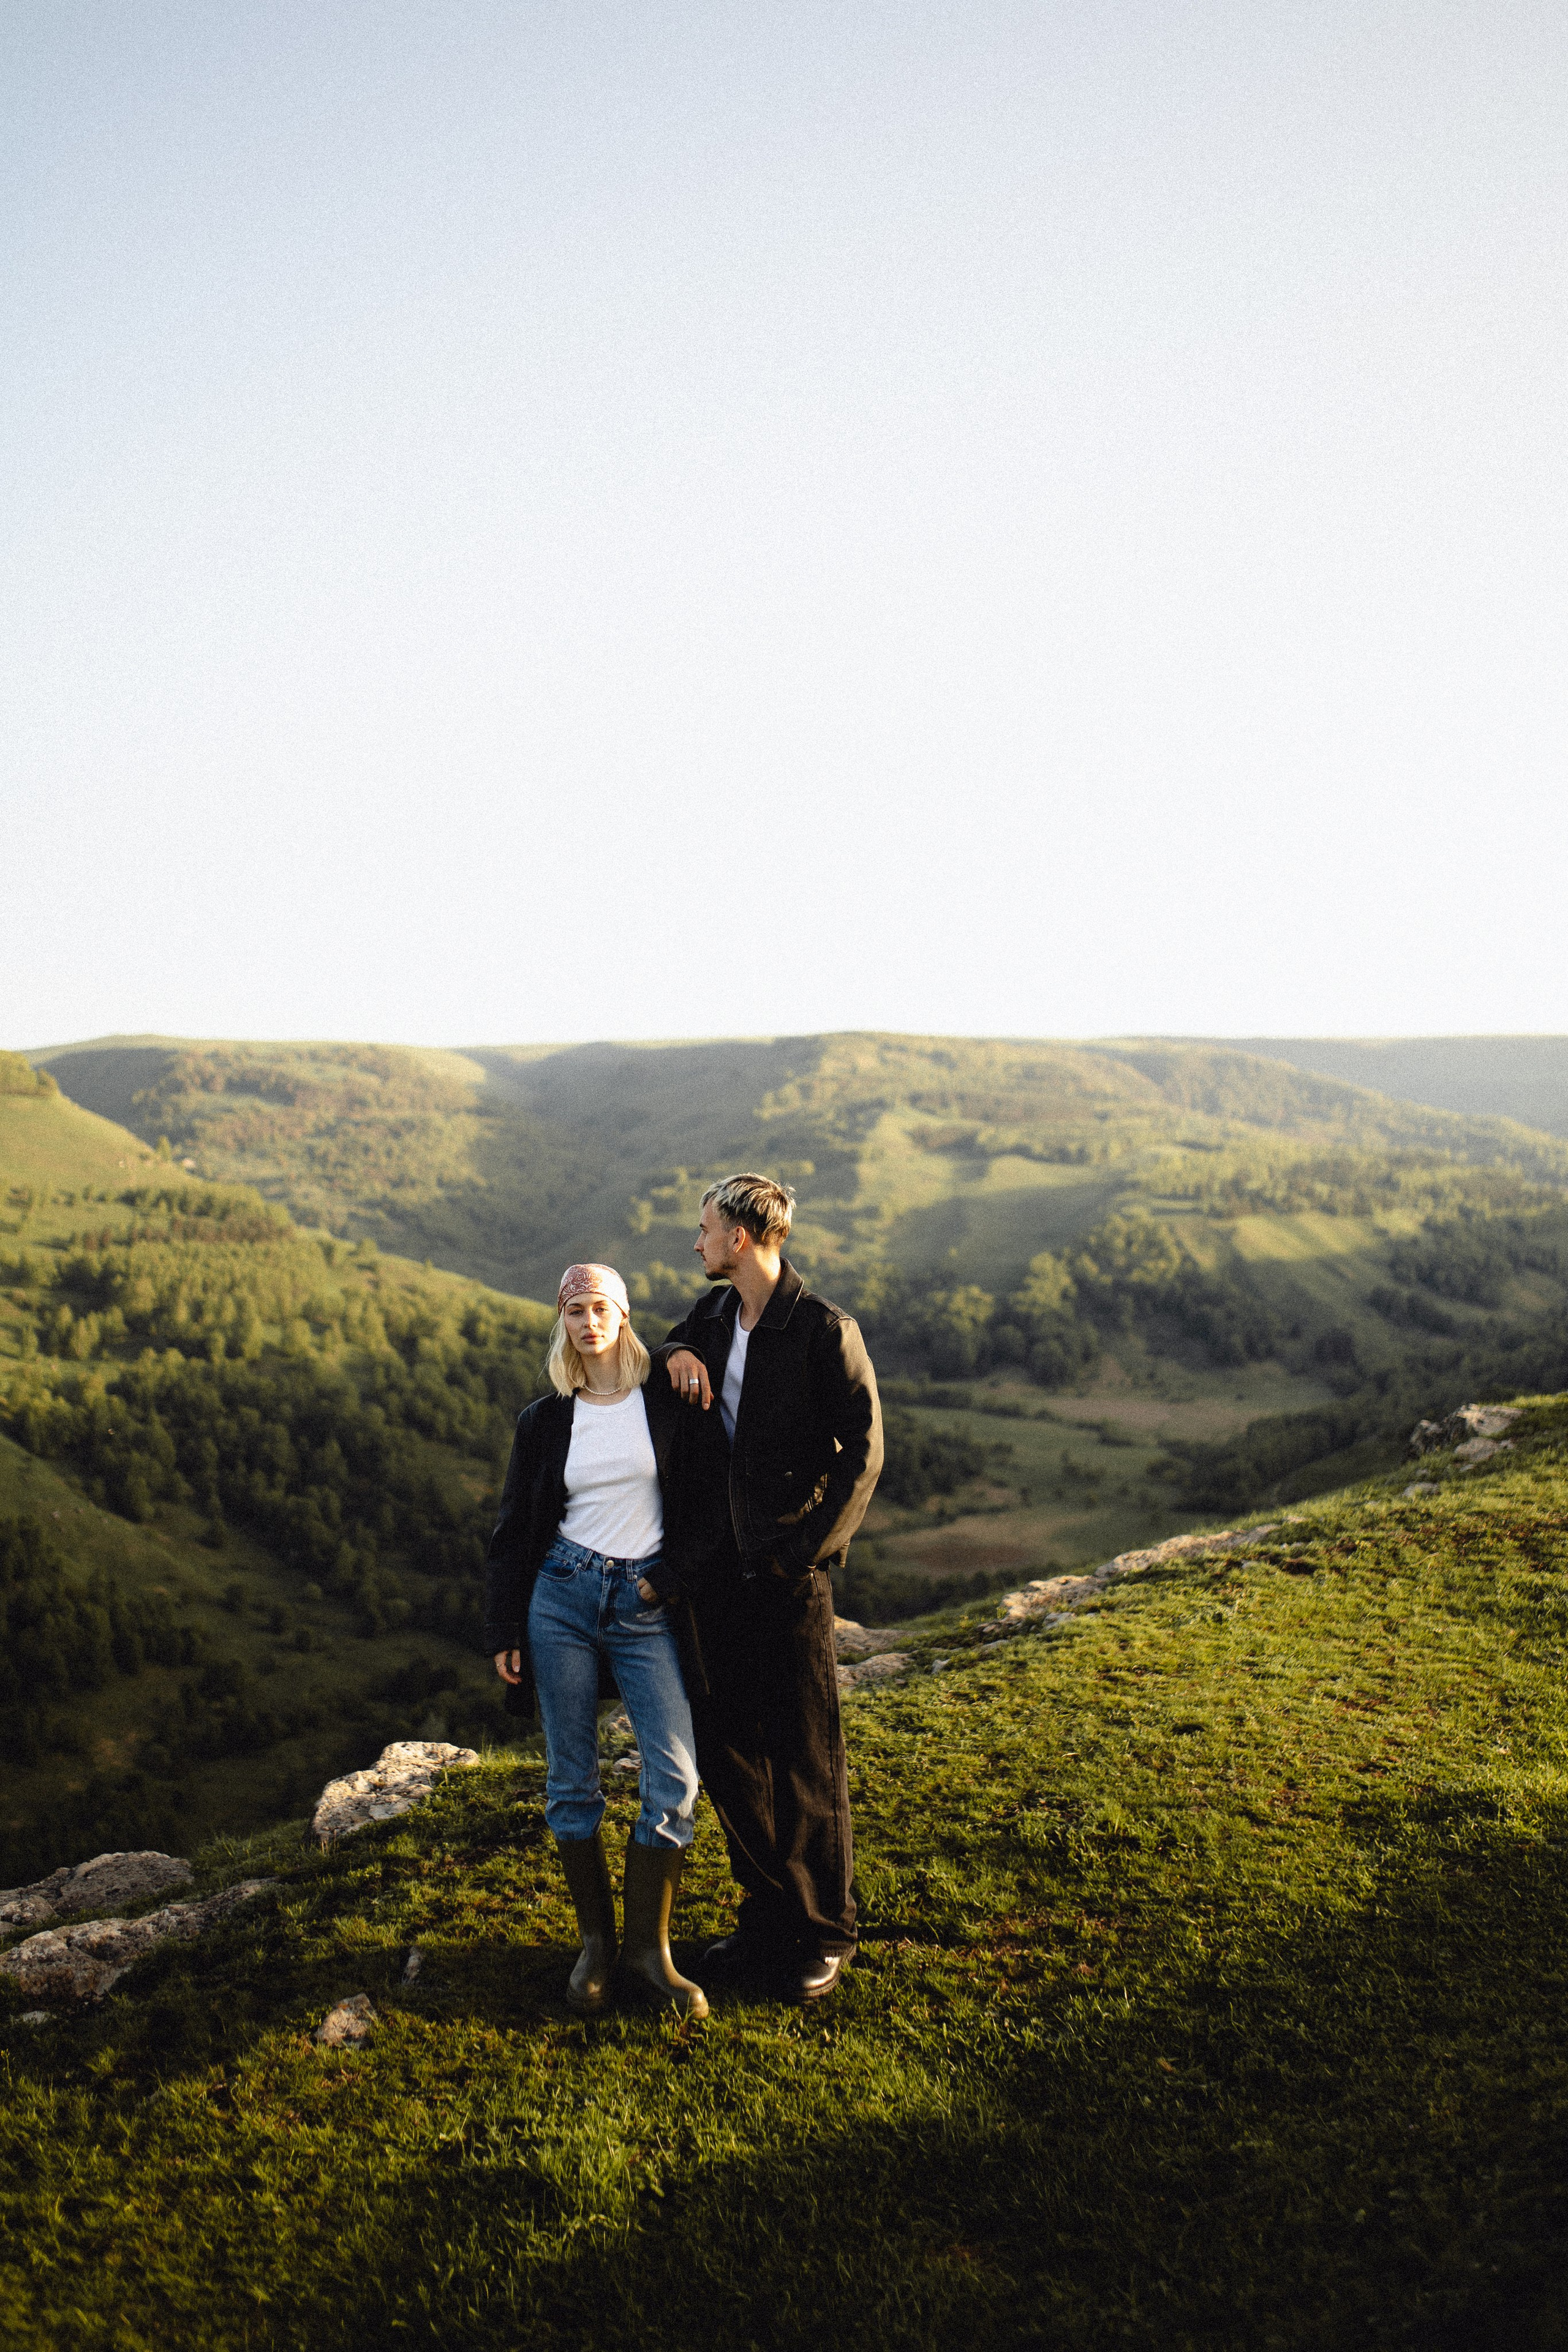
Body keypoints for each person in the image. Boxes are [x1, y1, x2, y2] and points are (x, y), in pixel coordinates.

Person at [659, 1173, 883, 2002]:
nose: (698, 1243)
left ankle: (825, 1933)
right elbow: (661, 1349)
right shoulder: (713, 1318)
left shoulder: (825, 1330)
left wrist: (803, 1555)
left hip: (788, 1581)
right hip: (715, 1577)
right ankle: (769, 1918)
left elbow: (864, 1455)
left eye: (707, 1229)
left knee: (805, 1762)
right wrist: (675, 1352)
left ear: (743, 1238)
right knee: (728, 1752)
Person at [485, 1262, 718, 2019]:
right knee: (571, 1780)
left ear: (623, 1315)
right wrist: (504, 1625)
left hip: (646, 1601)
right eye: (575, 1311)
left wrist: (672, 1578)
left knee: (675, 1776)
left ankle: (651, 1954)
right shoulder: (546, 1418)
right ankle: (596, 1946)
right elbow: (516, 1527)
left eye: (601, 1308)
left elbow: (708, 1506)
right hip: (561, 1599)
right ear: (564, 1323)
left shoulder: (667, 1402)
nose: (589, 1323)